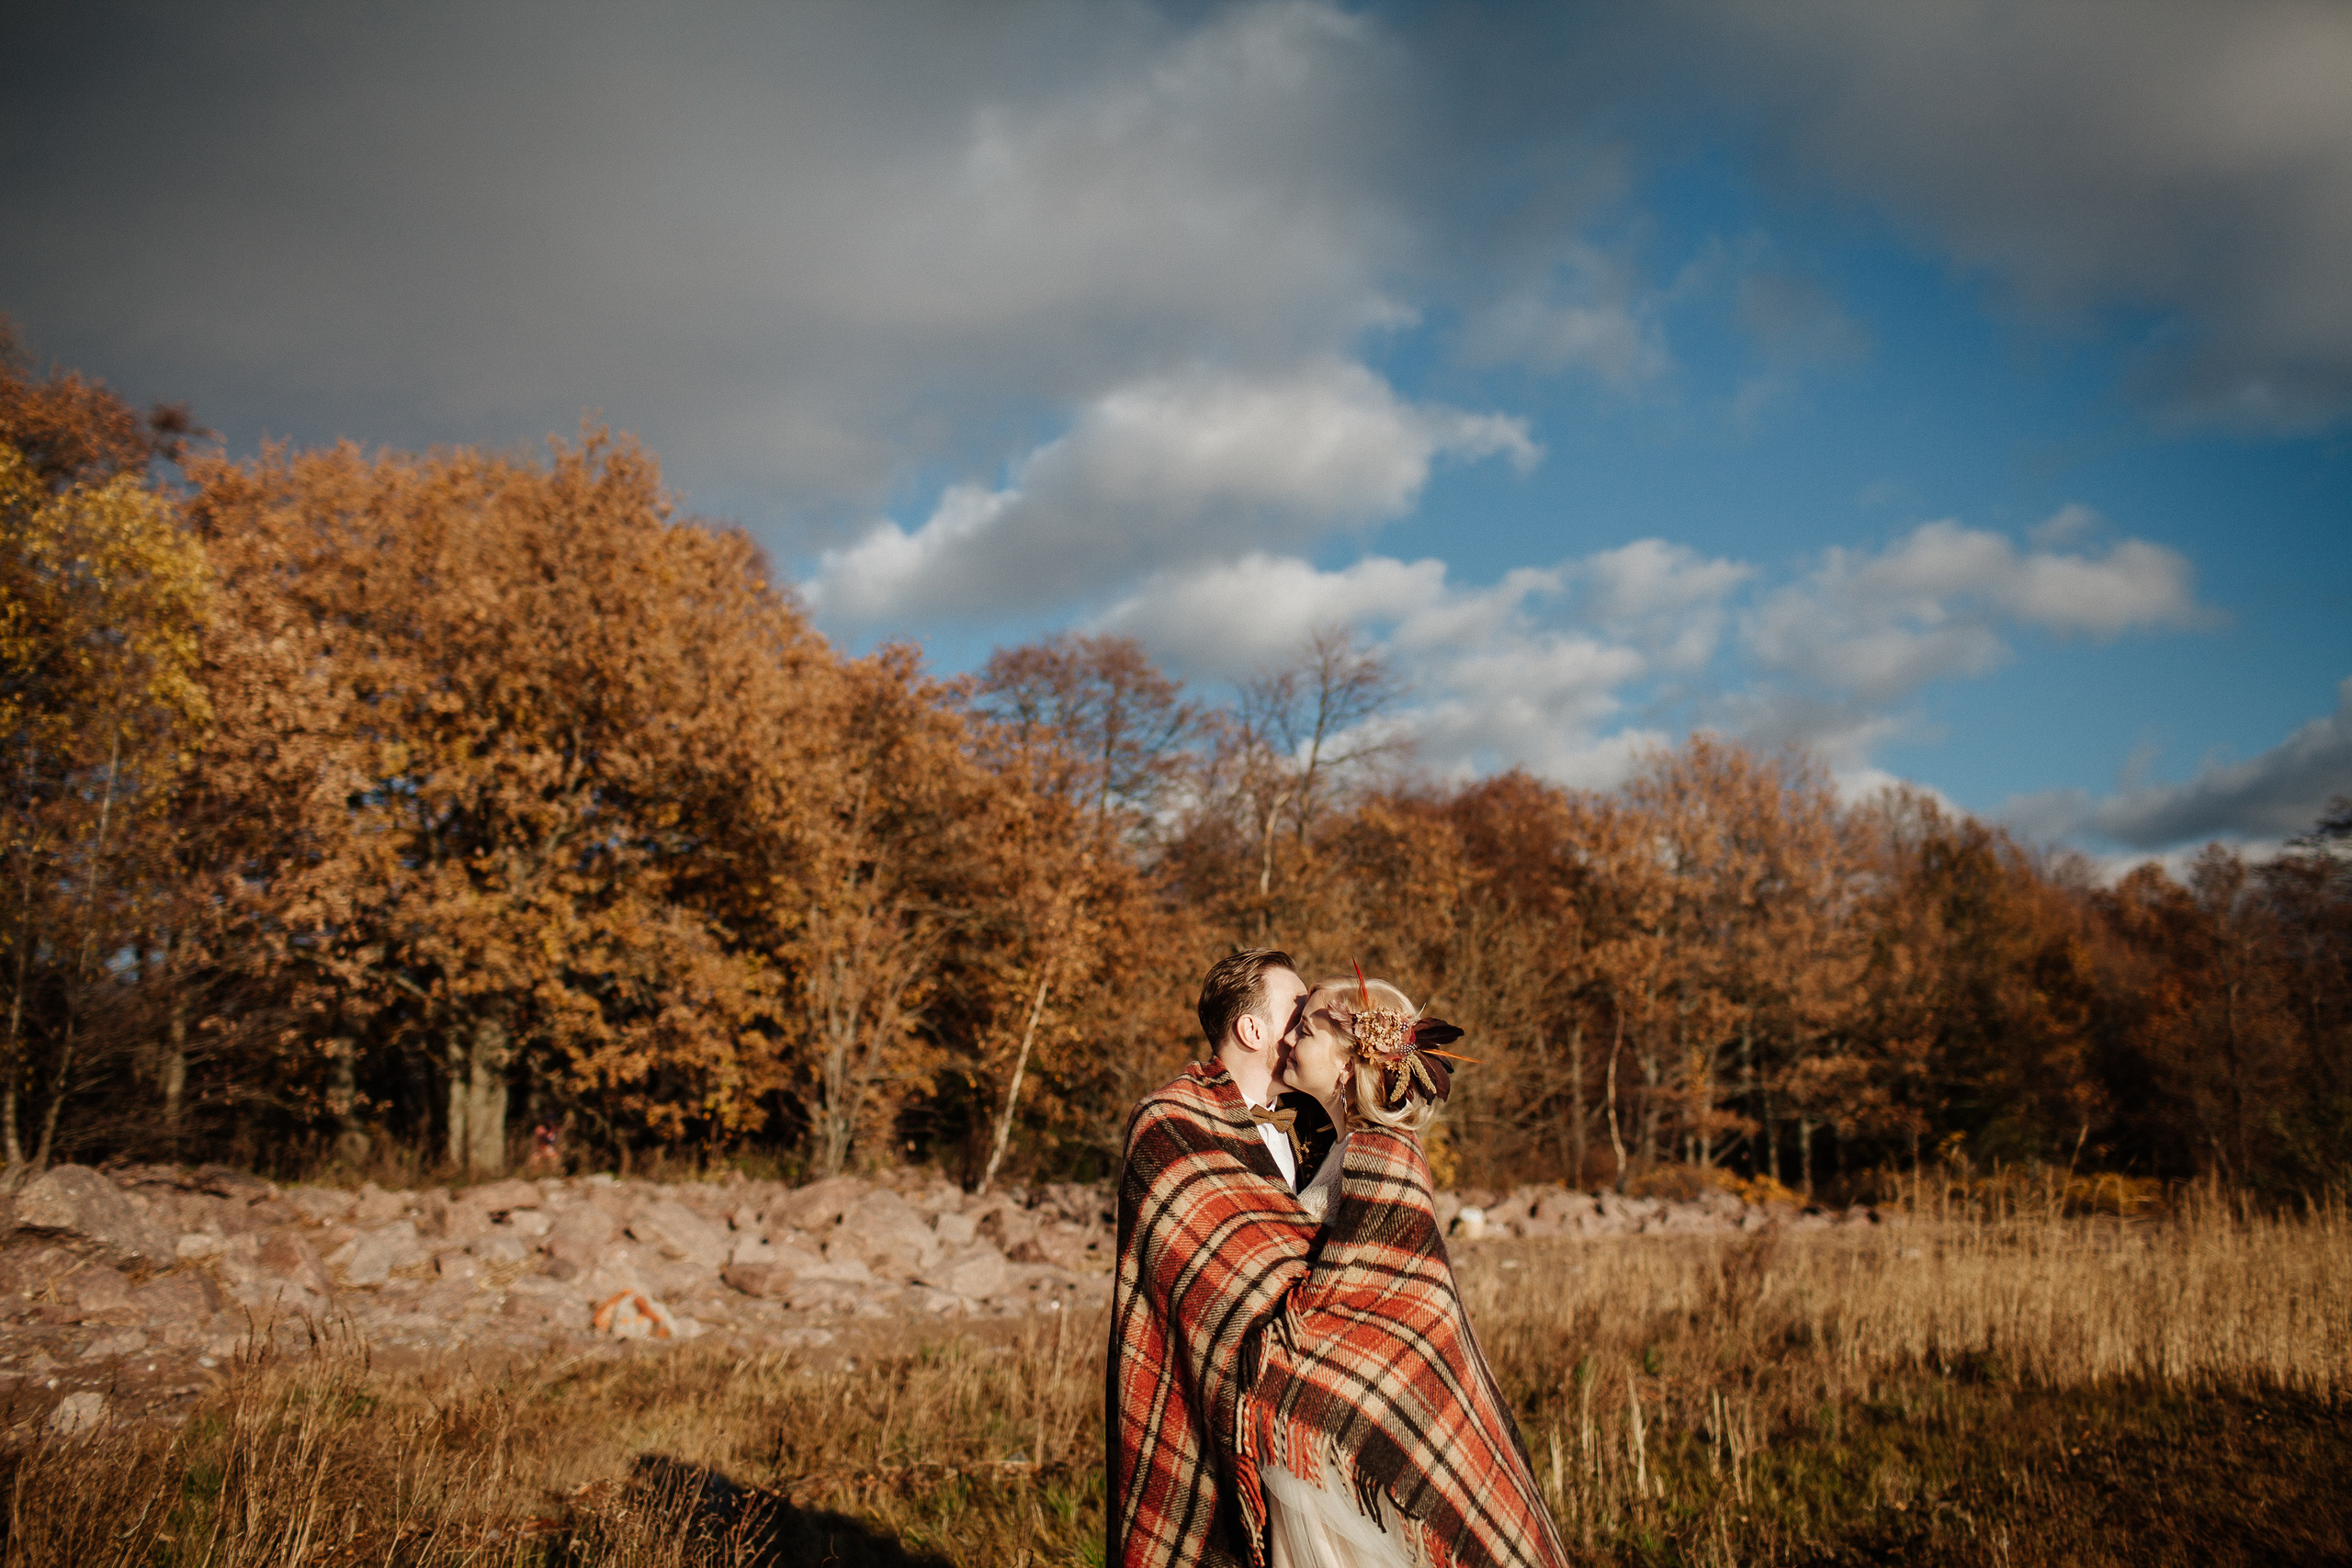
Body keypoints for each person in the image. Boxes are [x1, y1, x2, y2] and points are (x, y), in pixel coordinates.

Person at [1108, 953, 1568, 1568]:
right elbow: (1225, 1284)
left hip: (1337, 1433)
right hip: (1271, 1430)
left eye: (1310, 1019)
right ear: (1251, 1030)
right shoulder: (1181, 1126)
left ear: (1353, 1058)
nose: (1299, 1029)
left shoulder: (1367, 1153)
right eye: (1295, 1012)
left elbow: (1383, 1298)